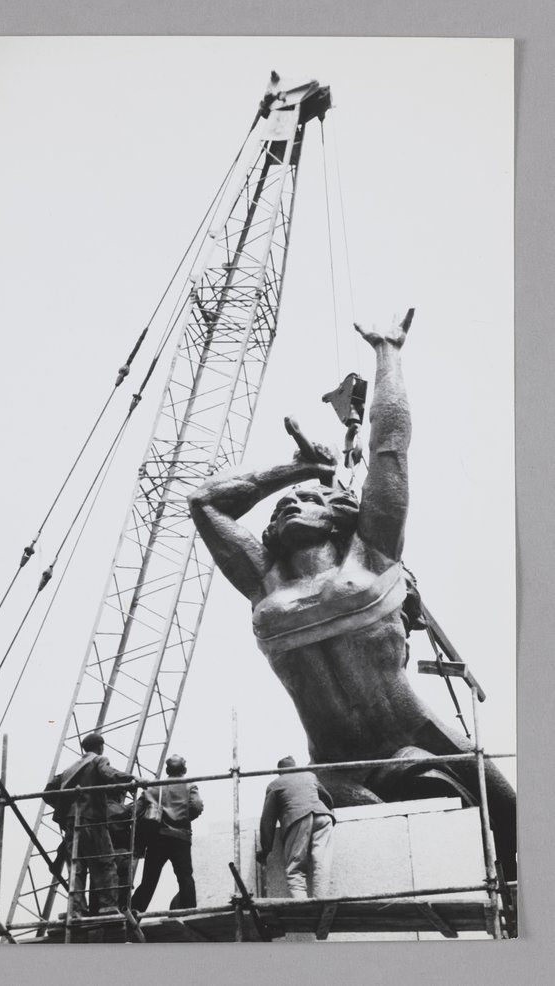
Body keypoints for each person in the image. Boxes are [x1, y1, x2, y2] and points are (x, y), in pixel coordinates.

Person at [188, 311, 517, 879]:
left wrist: (387, 353)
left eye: (308, 498)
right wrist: (297, 470)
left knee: (513, 814)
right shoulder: (264, 581)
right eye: (283, 506)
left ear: (339, 514)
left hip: (415, 733)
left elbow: (389, 447)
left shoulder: (371, 555)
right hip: (334, 764)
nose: (291, 505)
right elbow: (205, 502)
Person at [44, 732, 136, 918]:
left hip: (72, 822)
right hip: (92, 818)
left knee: (76, 867)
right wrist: (132, 779)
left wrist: (67, 806)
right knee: (105, 862)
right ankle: (108, 907)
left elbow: (47, 793)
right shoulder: (98, 759)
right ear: (100, 747)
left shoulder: (69, 769)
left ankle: (76, 909)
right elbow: (109, 774)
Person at [131, 754, 203, 912]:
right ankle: (189, 913)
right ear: (184, 769)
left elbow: (136, 811)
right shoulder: (189, 786)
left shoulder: (154, 787)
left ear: (167, 770)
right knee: (185, 877)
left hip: (157, 838)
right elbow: (197, 806)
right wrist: (183, 818)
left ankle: (133, 913)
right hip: (180, 838)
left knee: (149, 880)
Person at [256, 757, 335, 899]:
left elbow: (268, 820)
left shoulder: (275, 785)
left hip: (298, 819)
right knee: (321, 862)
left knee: (295, 870)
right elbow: (327, 798)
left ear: (280, 772)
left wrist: (266, 849)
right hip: (323, 817)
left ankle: (304, 906)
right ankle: (323, 901)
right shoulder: (310, 776)